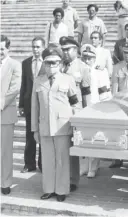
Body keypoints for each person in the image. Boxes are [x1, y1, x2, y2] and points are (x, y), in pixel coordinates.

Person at [31, 47, 79, 202]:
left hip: (62, 126)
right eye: (48, 63)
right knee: (47, 159)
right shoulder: (39, 81)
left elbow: (75, 104)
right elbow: (34, 107)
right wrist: (34, 129)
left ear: (59, 63)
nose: (51, 66)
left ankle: (61, 190)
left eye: (54, 63)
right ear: (44, 64)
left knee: (62, 160)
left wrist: (76, 125)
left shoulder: (68, 79)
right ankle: (49, 189)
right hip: (45, 126)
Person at [59, 36, 89, 190]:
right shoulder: (57, 66)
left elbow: (86, 95)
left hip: (73, 113)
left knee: (72, 147)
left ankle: (72, 180)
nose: (64, 52)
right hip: (57, 113)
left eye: (67, 49)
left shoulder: (82, 67)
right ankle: (60, 176)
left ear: (76, 50)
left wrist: (85, 117)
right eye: (63, 49)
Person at [79, 44, 112, 178]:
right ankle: (83, 167)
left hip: (95, 108)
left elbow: (105, 94)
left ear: (95, 59)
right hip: (81, 110)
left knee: (94, 139)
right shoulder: (78, 71)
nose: (87, 61)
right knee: (81, 139)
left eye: (90, 58)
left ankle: (93, 167)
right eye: (85, 58)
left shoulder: (101, 72)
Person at [19, 37, 45, 173]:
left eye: (38, 47)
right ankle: (29, 164)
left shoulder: (48, 62)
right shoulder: (26, 63)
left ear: (43, 47)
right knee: (29, 135)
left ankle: (43, 163)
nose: (35, 49)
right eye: (33, 47)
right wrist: (21, 105)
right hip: (29, 103)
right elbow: (23, 84)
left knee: (43, 134)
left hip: (43, 103)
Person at [1, 35, 22, 195]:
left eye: (2, 49)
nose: (0, 52)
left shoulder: (15, 65)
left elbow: (14, 89)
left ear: (8, 48)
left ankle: (5, 182)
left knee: (5, 151)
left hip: (5, 114)